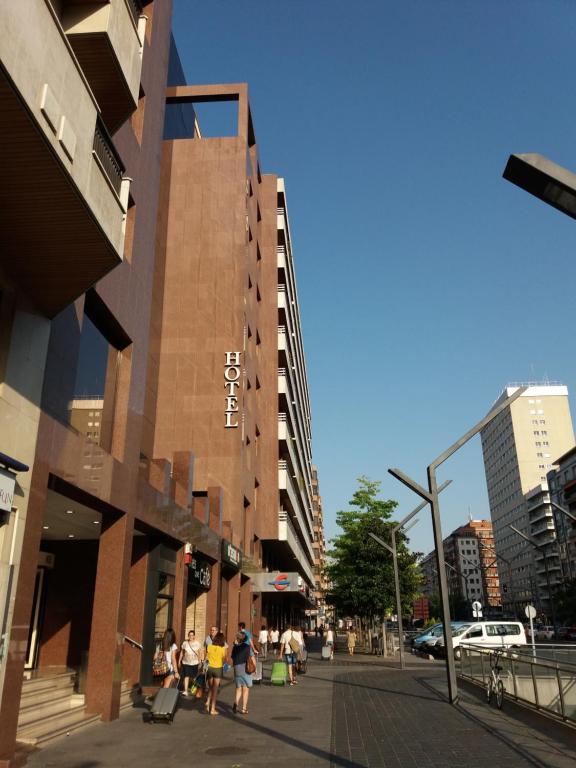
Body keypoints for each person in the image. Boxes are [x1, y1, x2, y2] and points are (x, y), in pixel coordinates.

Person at [205, 631, 227, 715]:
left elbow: (207, 656)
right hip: (218, 669)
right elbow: (224, 658)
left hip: (210, 668)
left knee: (210, 687)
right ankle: (212, 709)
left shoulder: (209, 647)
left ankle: (207, 703)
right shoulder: (222, 649)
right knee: (215, 689)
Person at [231, 631, 252, 714]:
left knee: (238, 688)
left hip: (236, 668)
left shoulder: (235, 647)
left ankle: (236, 703)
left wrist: (235, 645)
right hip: (245, 668)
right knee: (246, 689)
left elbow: (233, 657)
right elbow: (250, 657)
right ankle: (244, 708)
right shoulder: (247, 647)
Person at [179, 629, 203, 696]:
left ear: (194, 636)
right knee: (186, 676)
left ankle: (193, 689)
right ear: (188, 636)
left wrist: (200, 661)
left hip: (195, 663)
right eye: (189, 635)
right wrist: (179, 660)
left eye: (192, 635)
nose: (191, 636)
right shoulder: (185, 643)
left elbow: (200, 653)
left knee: (194, 676)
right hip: (186, 662)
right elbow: (182, 652)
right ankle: (186, 691)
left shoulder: (197, 643)